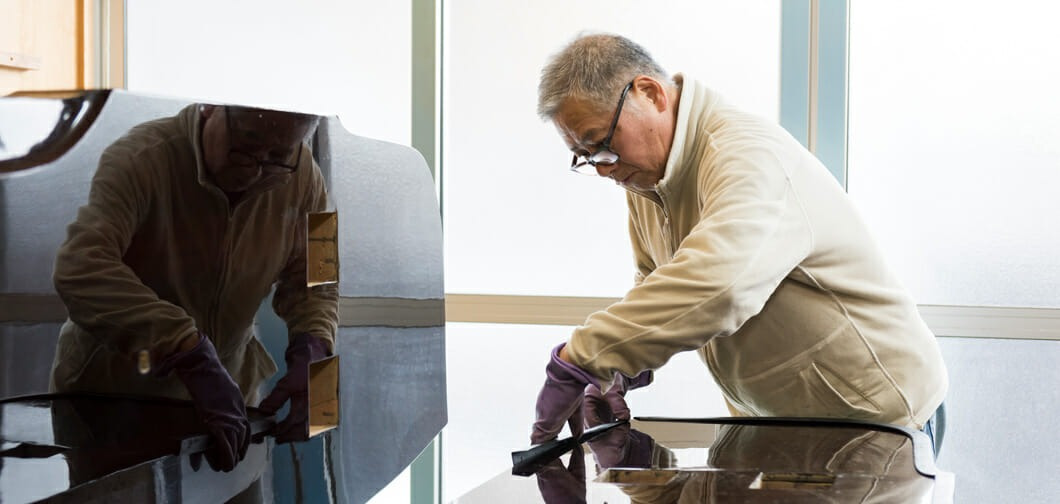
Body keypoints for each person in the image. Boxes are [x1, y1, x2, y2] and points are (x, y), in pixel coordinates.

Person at [530, 33, 948, 453]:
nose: (603, 169)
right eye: (586, 156)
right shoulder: (648, 180)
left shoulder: (747, 154)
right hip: (782, 422)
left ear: (650, 93)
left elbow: (719, 286)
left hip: (873, 419)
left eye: (602, 143)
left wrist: (584, 358)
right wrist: (620, 369)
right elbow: (656, 281)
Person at [50, 103, 339, 475]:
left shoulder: (308, 179)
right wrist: (184, 347)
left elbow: (321, 279)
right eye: (245, 146)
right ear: (210, 107)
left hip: (231, 406)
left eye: (278, 157)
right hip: (111, 406)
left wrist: (317, 354)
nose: (255, 170)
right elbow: (81, 267)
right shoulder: (138, 158)